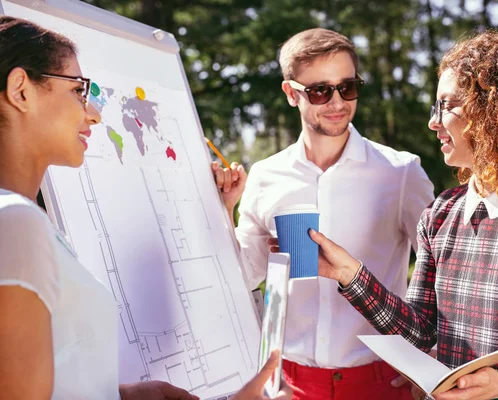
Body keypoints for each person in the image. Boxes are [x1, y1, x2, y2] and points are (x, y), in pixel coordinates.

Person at [0, 15, 291, 400]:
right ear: (21, 90)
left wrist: (122, 395)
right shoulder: (16, 222)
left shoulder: (22, 222)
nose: (94, 113)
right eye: (78, 91)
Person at [305, 29, 498, 399]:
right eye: (435, 107)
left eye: (448, 106)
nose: (434, 122)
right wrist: (349, 274)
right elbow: (422, 330)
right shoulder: (441, 213)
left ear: (497, 111)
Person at [212, 28, 434, 399]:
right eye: (320, 90)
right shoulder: (266, 176)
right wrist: (225, 210)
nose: (337, 102)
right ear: (291, 93)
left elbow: (442, 278)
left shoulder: (401, 173)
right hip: (291, 385)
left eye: (347, 87)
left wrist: (428, 360)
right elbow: (246, 275)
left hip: (381, 383)